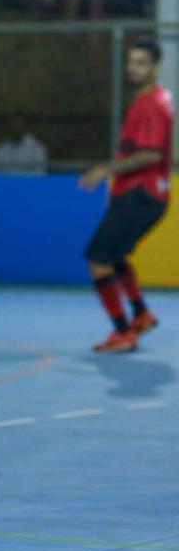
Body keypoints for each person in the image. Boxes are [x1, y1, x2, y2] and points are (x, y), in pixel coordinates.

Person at [78, 37, 171, 352]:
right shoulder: (150, 100)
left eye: (141, 62)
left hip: (140, 195)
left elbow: (152, 154)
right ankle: (141, 314)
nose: (133, 68)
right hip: (139, 194)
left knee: (98, 260)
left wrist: (106, 169)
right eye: (131, 62)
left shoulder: (153, 105)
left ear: (156, 67)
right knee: (114, 256)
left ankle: (122, 333)